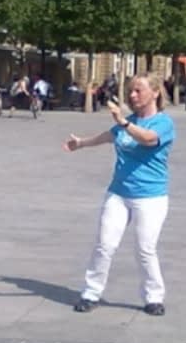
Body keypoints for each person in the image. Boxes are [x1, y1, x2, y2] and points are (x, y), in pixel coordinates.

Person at [63, 75, 176, 317]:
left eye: (138, 91)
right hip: (118, 193)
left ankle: (153, 297)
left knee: (145, 249)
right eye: (130, 91)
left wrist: (124, 122)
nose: (133, 95)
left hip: (151, 196)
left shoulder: (163, 123)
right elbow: (107, 136)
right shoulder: (127, 122)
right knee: (104, 245)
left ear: (155, 93)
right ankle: (91, 293)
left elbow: (147, 139)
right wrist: (80, 143)